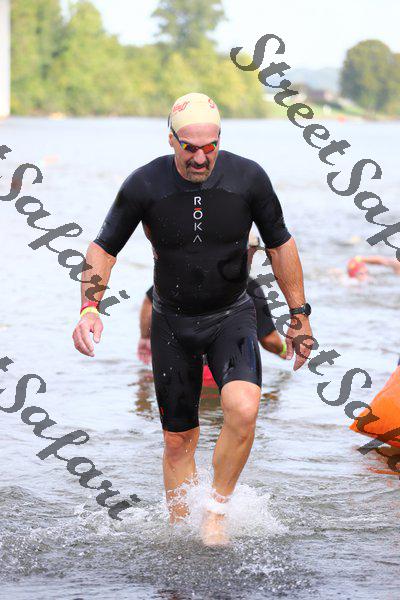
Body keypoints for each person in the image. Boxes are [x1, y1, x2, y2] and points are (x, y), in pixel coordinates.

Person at [72, 92, 313, 546]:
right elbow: (103, 248)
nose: (200, 157)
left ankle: (215, 513)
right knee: (178, 441)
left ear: (220, 140)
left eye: (210, 147)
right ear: (171, 140)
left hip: (231, 316)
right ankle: (180, 533)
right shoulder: (145, 184)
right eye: (189, 148)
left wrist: (299, 315)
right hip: (172, 323)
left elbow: (281, 244)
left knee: (244, 408)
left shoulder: (248, 178)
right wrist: (89, 308)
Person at [137, 236, 287, 370]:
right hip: (221, 367)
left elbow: (149, 301)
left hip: (176, 360)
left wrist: (145, 337)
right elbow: (269, 340)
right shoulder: (249, 287)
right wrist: (283, 350)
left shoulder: (186, 274)